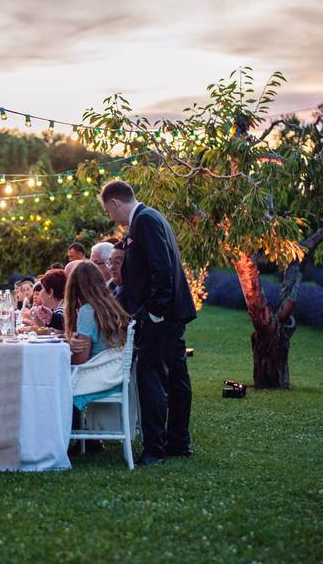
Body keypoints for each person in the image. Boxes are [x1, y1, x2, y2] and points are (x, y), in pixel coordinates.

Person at [99, 180, 197, 466]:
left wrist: (155, 310)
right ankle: (178, 442)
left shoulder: (143, 221)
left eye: (108, 210)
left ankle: (155, 449)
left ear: (115, 203)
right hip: (172, 314)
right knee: (177, 377)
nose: (110, 216)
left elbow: (162, 267)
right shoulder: (151, 217)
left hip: (162, 316)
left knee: (150, 376)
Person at [64, 261, 132, 411]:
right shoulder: (113, 307)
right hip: (114, 377)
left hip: (95, 380)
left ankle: (65, 433)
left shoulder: (87, 312)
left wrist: (68, 347)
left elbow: (80, 360)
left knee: (54, 387)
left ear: (75, 288)